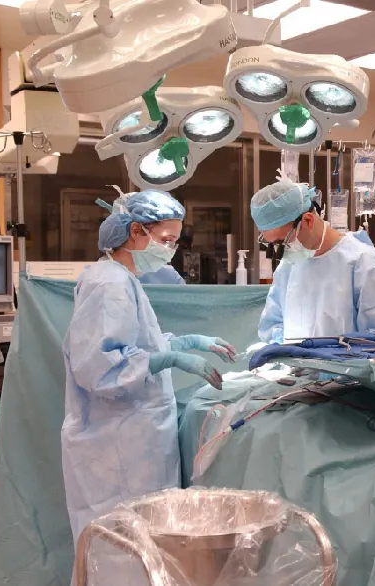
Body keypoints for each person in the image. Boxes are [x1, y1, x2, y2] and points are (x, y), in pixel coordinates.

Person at [61, 189, 236, 541]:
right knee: (122, 552)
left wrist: (184, 343)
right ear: (136, 232)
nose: (170, 249)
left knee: (143, 548)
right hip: (115, 449)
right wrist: (170, 358)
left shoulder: (123, 279)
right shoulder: (109, 284)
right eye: (166, 239)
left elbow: (135, 347)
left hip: (132, 442)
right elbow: (101, 369)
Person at [252, 178, 375, 343]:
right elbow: (272, 326)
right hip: (295, 368)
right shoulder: (288, 267)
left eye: (282, 241)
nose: (281, 251)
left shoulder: (366, 265)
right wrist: (286, 351)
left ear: (308, 220)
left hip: (347, 368)